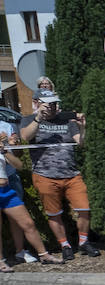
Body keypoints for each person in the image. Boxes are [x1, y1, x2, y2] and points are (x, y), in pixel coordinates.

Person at [21, 90, 94, 262]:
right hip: (45, 175)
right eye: (48, 103)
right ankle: (65, 245)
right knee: (54, 213)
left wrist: (82, 127)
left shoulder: (66, 120)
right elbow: (25, 136)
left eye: (54, 103)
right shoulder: (29, 119)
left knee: (84, 208)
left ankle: (83, 242)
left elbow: (81, 143)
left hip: (71, 174)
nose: (52, 106)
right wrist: (39, 117)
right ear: (38, 102)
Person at [0, 140, 63, 271]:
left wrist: (5, 151)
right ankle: (1, 261)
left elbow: (19, 165)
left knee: (28, 223)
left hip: (6, 191)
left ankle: (43, 255)